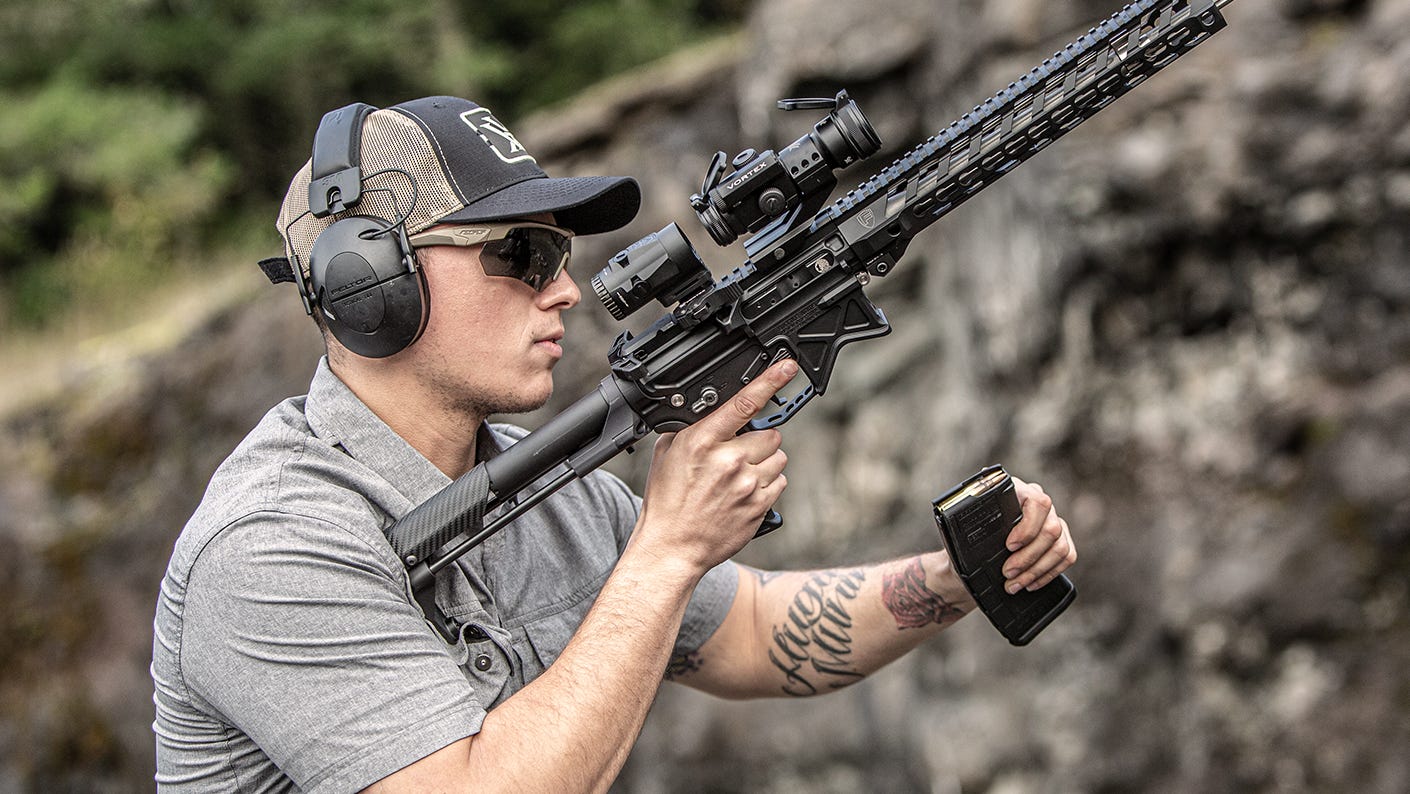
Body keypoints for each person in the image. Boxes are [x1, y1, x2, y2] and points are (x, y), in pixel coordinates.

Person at [150, 95, 1077, 792]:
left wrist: (951, 580)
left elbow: (751, 632)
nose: (562, 290)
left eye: (561, 258)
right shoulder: (271, 547)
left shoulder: (534, 479)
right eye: (521, 255)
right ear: (369, 285)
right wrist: (667, 549)